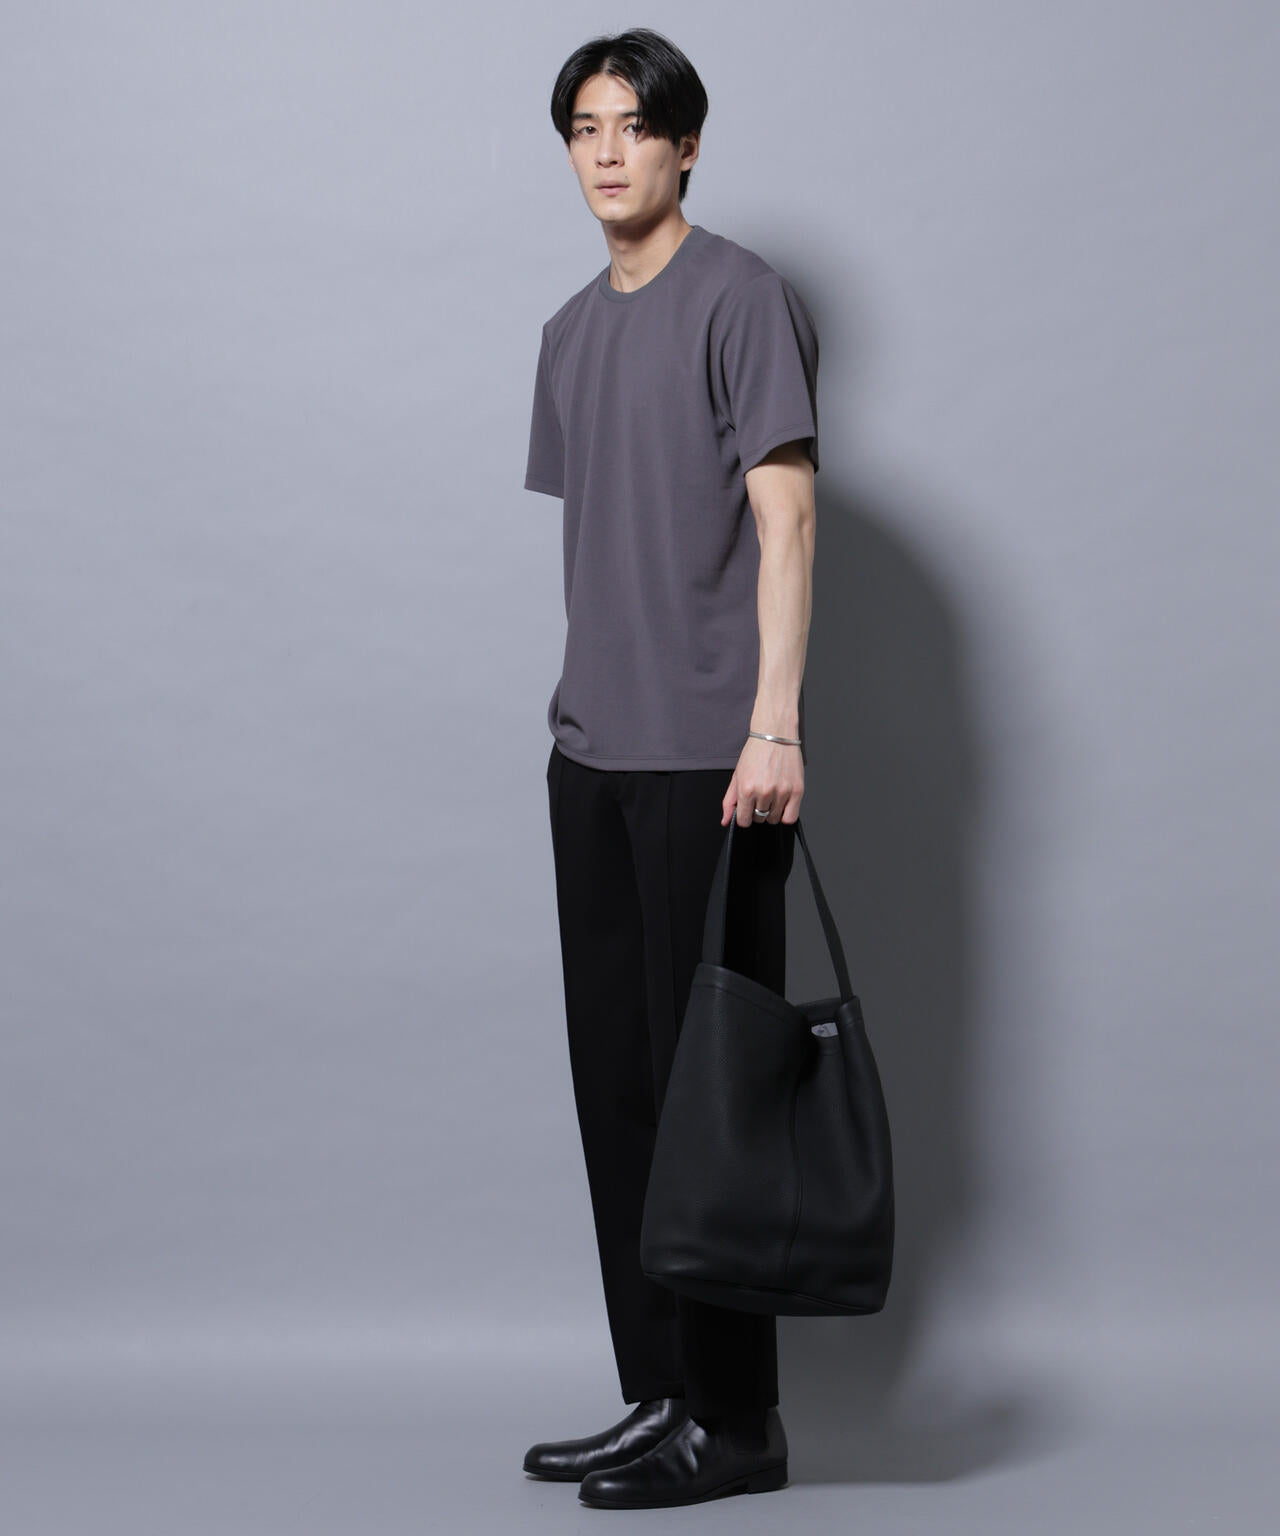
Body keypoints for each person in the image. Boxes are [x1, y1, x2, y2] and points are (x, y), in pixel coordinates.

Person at [520, 26, 819, 1510]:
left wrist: (775, 724)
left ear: (686, 145)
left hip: (716, 763)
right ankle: (661, 1393)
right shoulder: (568, 331)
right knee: (622, 1090)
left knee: (716, 1096)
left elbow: (787, 518)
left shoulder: (741, 297)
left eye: (633, 126)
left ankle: (739, 1422)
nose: (607, 151)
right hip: (593, 756)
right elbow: (611, 537)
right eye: (585, 127)